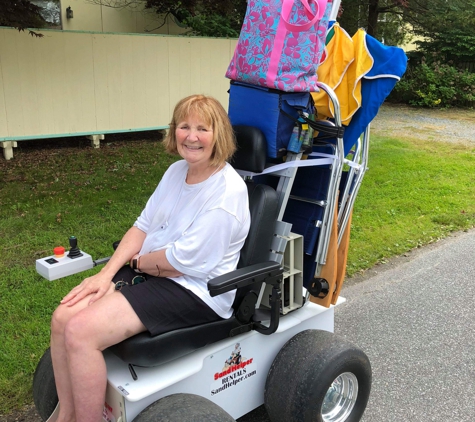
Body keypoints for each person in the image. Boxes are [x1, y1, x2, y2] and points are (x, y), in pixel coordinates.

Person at [50, 94, 251, 422]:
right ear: (175, 132)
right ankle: (67, 416)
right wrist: (105, 276)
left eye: (203, 128)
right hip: (159, 272)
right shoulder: (176, 172)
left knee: (81, 332)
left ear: (220, 136)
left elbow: (180, 263)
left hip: (196, 289)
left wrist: (136, 264)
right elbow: (142, 227)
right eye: (184, 126)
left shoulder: (227, 192)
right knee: (62, 320)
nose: (191, 136)